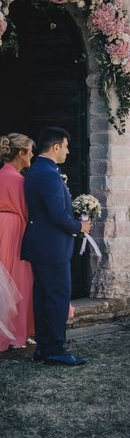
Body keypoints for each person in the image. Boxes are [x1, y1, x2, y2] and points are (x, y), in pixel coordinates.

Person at [22, 127, 91, 366]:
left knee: (44, 297)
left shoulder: (37, 170)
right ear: (55, 147)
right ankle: (55, 350)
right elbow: (58, 215)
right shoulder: (49, 174)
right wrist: (79, 227)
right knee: (57, 297)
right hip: (52, 246)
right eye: (66, 146)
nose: (69, 151)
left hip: (43, 245)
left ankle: (44, 347)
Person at [0, 133, 35, 352]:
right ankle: (14, 334)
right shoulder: (19, 179)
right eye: (30, 151)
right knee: (18, 280)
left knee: (4, 281)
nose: (32, 155)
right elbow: (25, 210)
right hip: (13, 229)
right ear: (21, 153)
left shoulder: (2, 174)